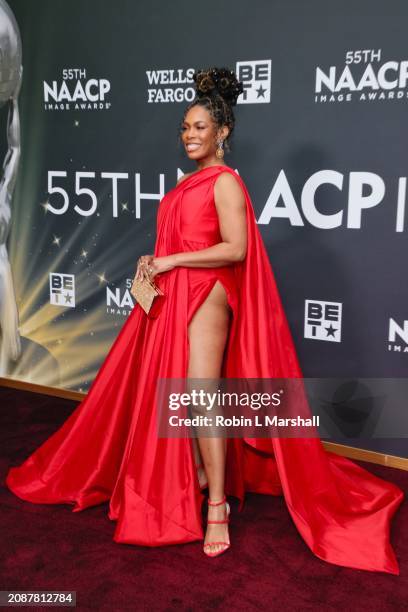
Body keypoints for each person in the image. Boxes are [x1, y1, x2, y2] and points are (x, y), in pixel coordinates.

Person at [6, 67, 404, 570]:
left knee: (199, 393)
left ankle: (216, 505)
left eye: (199, 127)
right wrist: (155, 261)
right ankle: (194, 474)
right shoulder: (188, 183)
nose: (190, 135)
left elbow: (234, 248)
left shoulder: (225, 183)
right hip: (173, 293)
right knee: (181, 395)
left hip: (209, 294)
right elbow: (185, 242)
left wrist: (173, 260)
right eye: (185, 128)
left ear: (223, 132)